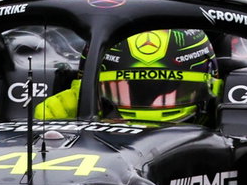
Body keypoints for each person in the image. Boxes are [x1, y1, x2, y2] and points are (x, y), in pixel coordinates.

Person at [36, 28, 220, 123]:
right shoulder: (59, 113)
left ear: (211, 87)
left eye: (168, 93)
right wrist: (56, 128)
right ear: (89, 89)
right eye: (123, 91)